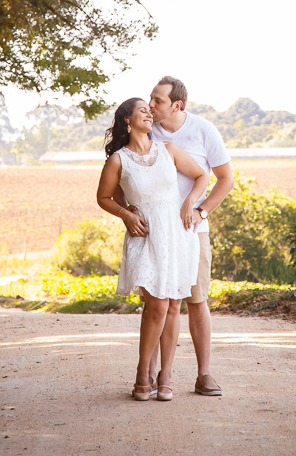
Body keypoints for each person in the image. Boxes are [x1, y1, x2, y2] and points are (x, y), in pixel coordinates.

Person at [96, 97, 208, 401]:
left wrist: (190, 203)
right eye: (142, 110)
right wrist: (127, 215)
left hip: (178, 233)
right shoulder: (118, 159)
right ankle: (142, 372)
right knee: (156, 305)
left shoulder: (168, 150)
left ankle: (166, 375)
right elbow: (104, 198)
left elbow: (201, 176)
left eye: (150, 109)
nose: (149, 113)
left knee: (174, 306)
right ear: (127, 121)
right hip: (144, 235)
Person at [147, 76, 234, 396]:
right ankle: (151, 375)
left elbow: (226, 179)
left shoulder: (204, 130)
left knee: (196, 300)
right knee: (157, 304)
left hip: (193, 230)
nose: (151, 104)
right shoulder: (146, 128)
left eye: (158, 100)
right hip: (156, 231)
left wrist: (202, 211)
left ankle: (204, 375)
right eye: (151, 98)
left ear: (176, 105)